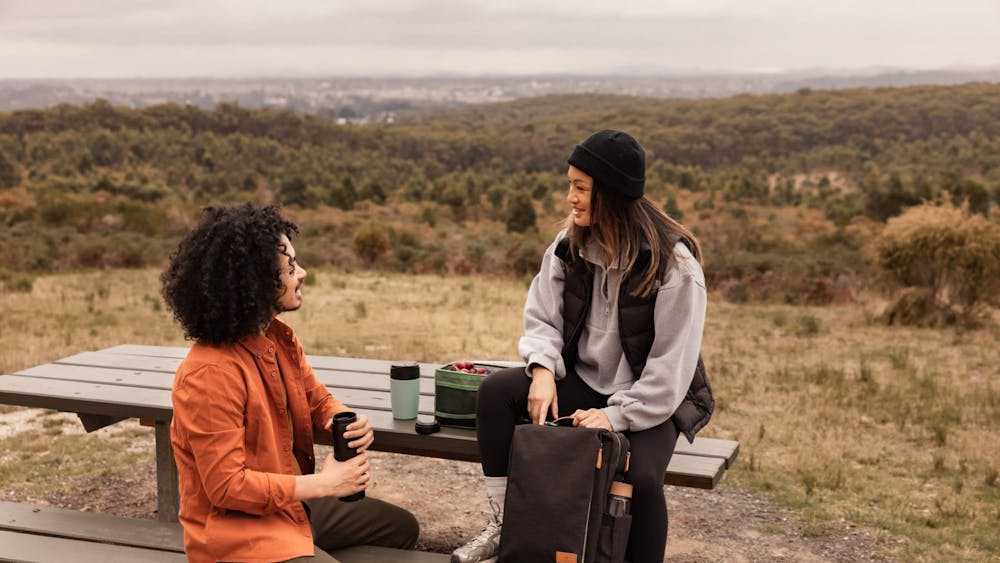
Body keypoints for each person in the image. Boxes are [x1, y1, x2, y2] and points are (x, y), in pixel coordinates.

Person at [451, 130, 713, 563]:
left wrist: (614, 416)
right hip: (586, 381)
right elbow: (542, 316)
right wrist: (541, 371)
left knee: (641, 476)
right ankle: (506, 522)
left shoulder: (675, 266)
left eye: (581, 187)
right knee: (496, 393)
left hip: (654, 398)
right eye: (570, 184)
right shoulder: (568, 246)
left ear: (611, 193)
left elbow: (671, 370)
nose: (570, 198)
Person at [161, 203, 418, 563]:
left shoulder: (279, 338)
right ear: (258, 283)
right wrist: (325, 484)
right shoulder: (208, 374)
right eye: (292, 267)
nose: (303, 273)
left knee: (401, 528)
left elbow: (317, 400)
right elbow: (228, 487)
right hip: (238, 535)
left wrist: (342, 418)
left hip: (288, 508)